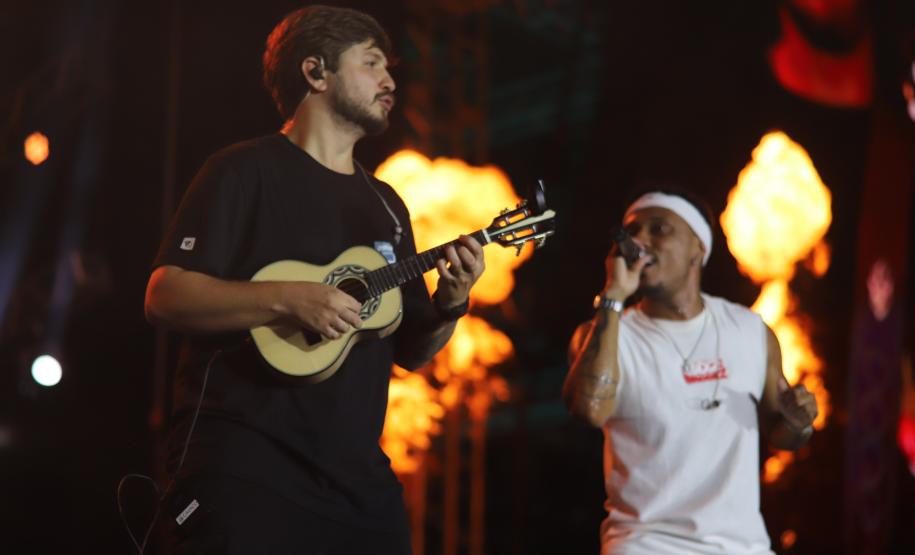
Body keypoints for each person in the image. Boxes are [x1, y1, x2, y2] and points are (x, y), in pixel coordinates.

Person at [144, 6, 484, 554]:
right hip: (246, 467)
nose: (390, 80)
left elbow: (413, 350)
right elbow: (165, 295)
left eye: (389, 68)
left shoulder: (388, 205)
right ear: (315, 73)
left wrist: (451, 301)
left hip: (359, 491)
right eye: (371, 63)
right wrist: (286, 299)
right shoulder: (241, 170)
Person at [563, 189, 818, 555]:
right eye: (631, 231)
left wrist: (798, 421)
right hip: (644, 546)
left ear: (698, 249)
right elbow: (588, 409)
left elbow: (782, 432)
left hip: (742, 548)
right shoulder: (602, 334)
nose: (639, 240)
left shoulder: (749, 331)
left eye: (659, 229)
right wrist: (613, 297)